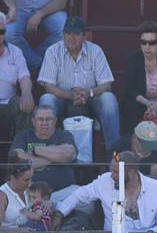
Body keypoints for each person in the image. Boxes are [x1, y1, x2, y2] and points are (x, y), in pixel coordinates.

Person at [36, 16, 119, 145]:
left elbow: (107, 85)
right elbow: (48, 86)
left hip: (90, 99)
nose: (71, 37)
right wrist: (69, 95)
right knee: (47, 99)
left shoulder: (95, 51)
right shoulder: (52, 51)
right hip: (62, 98)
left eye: (76, 34)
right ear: (63, 34)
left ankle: (113, 154)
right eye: (68, 33)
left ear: (84, 35)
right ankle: (45, 150)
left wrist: (89, 93)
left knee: (109, 99)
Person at [55, 151, 157, 232]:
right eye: (111, 171)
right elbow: (79, 195)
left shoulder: (156, 188)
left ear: (132, 172)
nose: (112, 176)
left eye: (116, 172)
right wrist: (59, 213)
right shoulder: (104, 181)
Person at [0, 0, 70, 72]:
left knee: (65, 31)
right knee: (8, 33)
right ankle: (37, 64)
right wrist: (12, 7)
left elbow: (61, 0)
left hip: (48, 12)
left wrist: (39, 14)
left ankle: (37, 59)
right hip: (20, 10)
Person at [9, 104, 78, 199]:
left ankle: (52, 209)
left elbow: (68, 154)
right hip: (30, 194)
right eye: (40, 119)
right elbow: (17, 159)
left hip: (62, 194)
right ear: (33, 121)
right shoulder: (23, 136)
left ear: (55, 121)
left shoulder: (64, 135)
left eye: (49, 119)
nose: (45, 123)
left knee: (85, 200)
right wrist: (55, 157)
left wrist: (35, 150)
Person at [0, 162, 34, 230]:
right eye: (26, 180)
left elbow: (44, 200)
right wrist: (19, 231)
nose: (30, 182)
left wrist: (47, 203)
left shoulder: (31, 187)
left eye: (31, 178)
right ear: (13, 178)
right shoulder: (1, 195)